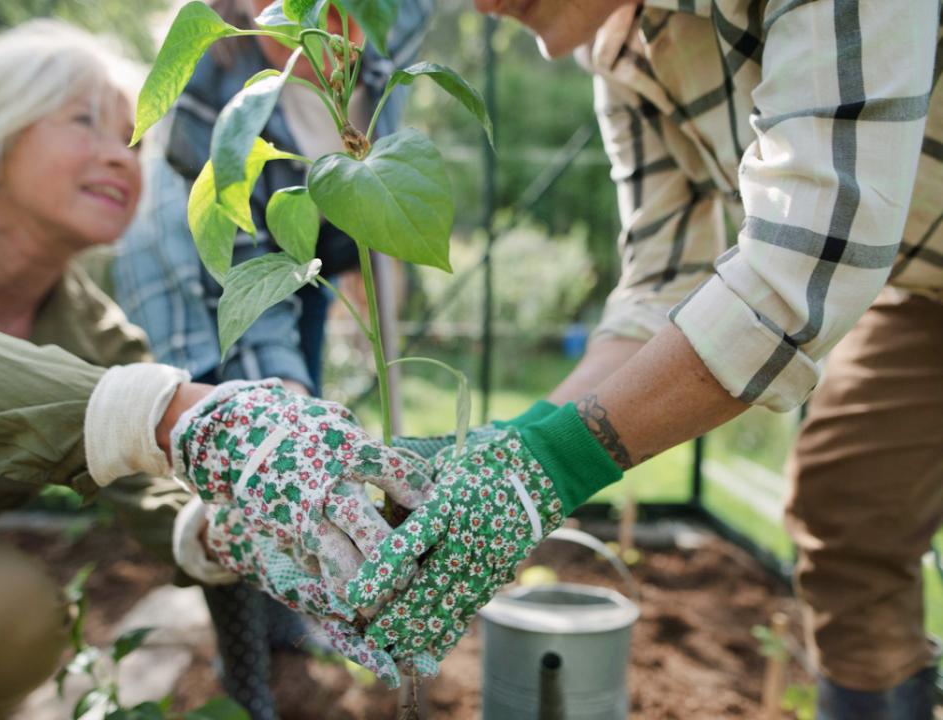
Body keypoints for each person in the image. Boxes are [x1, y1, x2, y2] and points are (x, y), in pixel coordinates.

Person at [349, 1, 943, 718]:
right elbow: (663, 288)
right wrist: (509, 448)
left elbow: (806, 255)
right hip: (922, 290)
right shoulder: (622, 47)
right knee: (850, 515)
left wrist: (549, 463)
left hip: (880, 268)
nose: (478, 4)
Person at [0, 20, 414, 719]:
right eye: (84, 124)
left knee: (4, 614)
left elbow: (149, 486)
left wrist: (233, 533)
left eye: (133, 138)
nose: (121, 157)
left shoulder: (91, 332)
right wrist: (174, 410)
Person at [112, 1, 435, 715]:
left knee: (295, 426)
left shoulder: (395, 21)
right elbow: (246, 268)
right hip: (201, 262)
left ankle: (289, 629)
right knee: (234, 467)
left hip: (308, 253)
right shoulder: (222, 79)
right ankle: (246, 680)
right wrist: (282, 418)